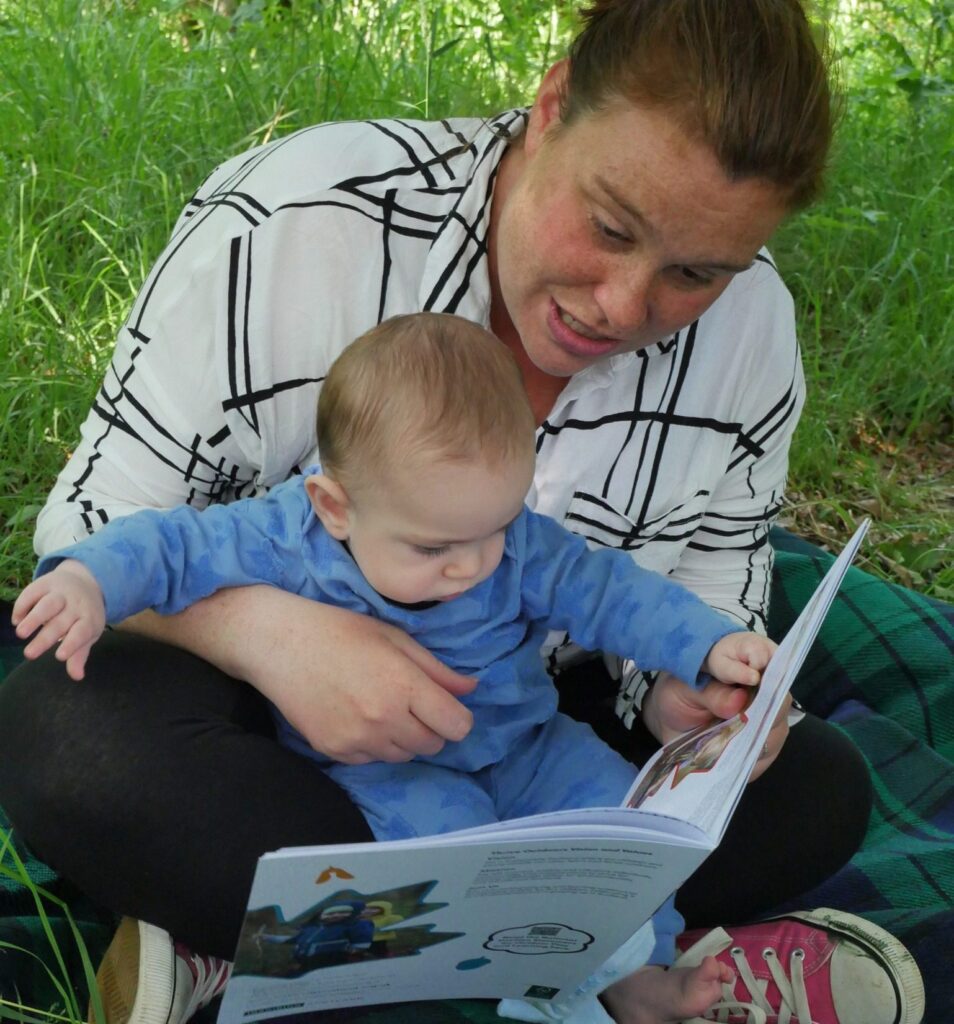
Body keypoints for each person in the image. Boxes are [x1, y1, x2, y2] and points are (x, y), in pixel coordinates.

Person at [0, 1, 923, 1023]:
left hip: (529, 719)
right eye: (611, 226)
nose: (622, 304)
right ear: (553, 102)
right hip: (267, 731)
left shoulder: (752, 336)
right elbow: (94, 538)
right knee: (65, 732)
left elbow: (677, 599)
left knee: (815, 792)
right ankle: (546, 964)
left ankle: (290, 951)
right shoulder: (294, 225)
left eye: (696, 273)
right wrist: (276, 640)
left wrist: (687, 704)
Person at [14, 312, 783, 1023]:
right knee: (464, 876)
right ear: (335, 505)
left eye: (497, 527)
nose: (475, 565)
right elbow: (172, 546)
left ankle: (634, 978)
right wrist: (89, 579)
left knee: (629, 838)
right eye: (433, 549)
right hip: (395, 772)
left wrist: (707, 645)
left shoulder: (507, 543)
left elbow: (613, 592)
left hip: (527, 746)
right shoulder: (285, 535)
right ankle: (514, 991)